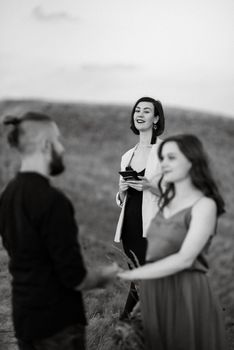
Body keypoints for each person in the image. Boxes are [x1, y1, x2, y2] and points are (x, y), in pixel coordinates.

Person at [0, 112, 118, 350]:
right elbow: (74, 277)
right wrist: (105, 276)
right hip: (58, 325)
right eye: (58, 141)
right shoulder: (53, 201)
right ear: (45, 145)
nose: (62, 148)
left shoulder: (7, 195)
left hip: (25, 318)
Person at [118, 134, 227, 350]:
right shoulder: (167, 202)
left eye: (171, 157)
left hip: (185, 293)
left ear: (192, 160)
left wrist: (130, 274)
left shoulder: (204, 205)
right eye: (162, 157)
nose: (164, 163)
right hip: (156, 291)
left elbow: (185, 259)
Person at [114, 97, 165, 320]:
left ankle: (125, 326)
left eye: (146, 111)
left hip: (153, 228)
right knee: (139, 280)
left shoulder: (165, 151)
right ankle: (136, 329)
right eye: (137, 110)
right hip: (129, 228)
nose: (140, 114)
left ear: (155, 118)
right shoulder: (127, 155)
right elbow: (123, 200)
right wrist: (122, 190)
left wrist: (150, 187)